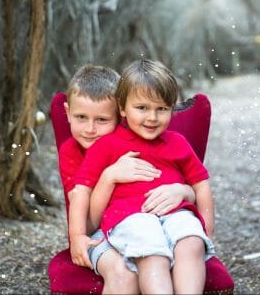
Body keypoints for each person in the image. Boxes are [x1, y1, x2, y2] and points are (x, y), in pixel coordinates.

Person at [72, 59, 215, 294]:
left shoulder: (177, 143)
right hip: (131, 217)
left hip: (177, 212)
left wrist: (207, 230)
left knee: (192, 243)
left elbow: (201, 185)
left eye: (162, 109)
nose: (152, 117)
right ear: (122, 108)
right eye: (142, 108)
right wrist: (77, 236)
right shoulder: (107, 145)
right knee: (151, 250)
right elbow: (82, 190)